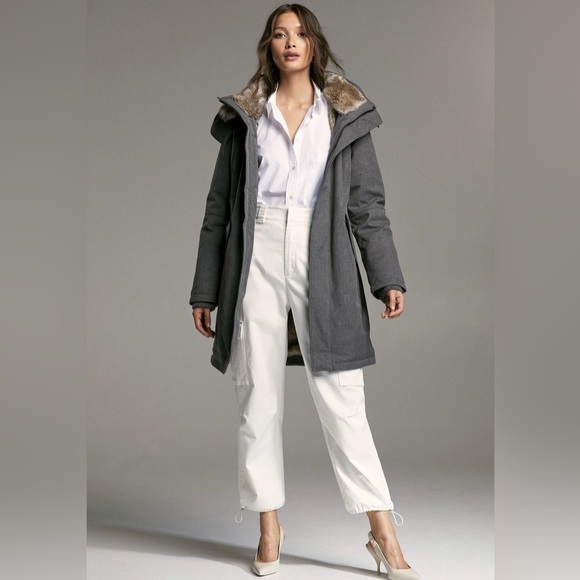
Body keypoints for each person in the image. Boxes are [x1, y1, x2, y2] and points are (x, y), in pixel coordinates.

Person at [190, 4, 420, 578]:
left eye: (299, 33)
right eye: (279, 34)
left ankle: (384, 536)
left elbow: (367, 206)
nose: (290, 42)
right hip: (257, 254)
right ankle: (269, 529)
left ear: (314, 44)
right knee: (257, 399)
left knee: (343, 401)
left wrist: (386, 277)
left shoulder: (344, 114)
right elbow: (219, 211)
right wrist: (205, 290)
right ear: (269, 46)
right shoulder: (248, 115)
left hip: (324, 254)